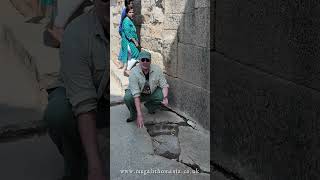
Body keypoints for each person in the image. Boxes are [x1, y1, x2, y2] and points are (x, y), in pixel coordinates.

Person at [43, 0, 109, 179]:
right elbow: (84, 102)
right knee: (59, 113)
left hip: (111, 99)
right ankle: (77, 170)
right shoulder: (77, 33)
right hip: (79, 94)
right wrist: (95, 168)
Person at [124, 50, 169, 128]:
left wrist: (165, 98)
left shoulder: (157, 69)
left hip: (151, 92)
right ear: (139, 61)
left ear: (150, 61)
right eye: (143, 60)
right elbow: (136, 95)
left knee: (162, 96)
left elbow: (164, 85)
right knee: (127, 98)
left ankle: (150, 106)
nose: (145, 62)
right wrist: (140, 114)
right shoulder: (134, 72)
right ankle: (134, 114)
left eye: (147, 60)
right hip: (138, 93)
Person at [119, 6, 140, 76]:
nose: (132, 13)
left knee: (130, 56)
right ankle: (127, 70)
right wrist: (135, 41)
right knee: (137, 55)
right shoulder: (126, 21)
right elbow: (128, 33)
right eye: (130, 12)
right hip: (128, 42)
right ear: (126, 13)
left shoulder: (129, 20)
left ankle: (127, 70)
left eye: (132, 12)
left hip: (129, 42)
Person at [114, 0, 134, 69]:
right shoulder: (125, 11)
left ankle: (123, 63)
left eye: (132, 3)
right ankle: (121, 62)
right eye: (130, 3)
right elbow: (122, 21)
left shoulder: (130, 10)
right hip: (123, 30)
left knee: (125, 46)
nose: (131, 4)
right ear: (127, 4)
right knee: (124, 46)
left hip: (126, 30)